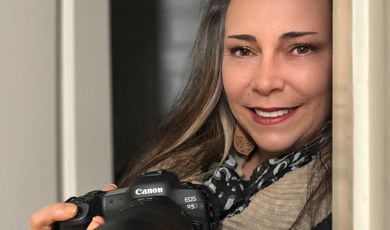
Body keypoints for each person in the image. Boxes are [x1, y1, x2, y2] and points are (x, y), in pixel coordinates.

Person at [30, 0, 332, 229]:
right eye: (243, 50)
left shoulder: (361, 202)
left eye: (301, 48)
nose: (265, 82)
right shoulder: (175, 166)